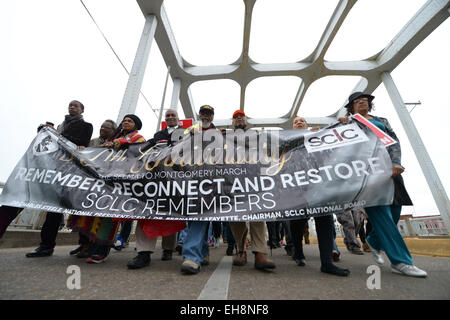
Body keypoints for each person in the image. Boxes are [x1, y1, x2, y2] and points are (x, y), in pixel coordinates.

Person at [339, 92, 427, 277]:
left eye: (365, 100)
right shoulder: (348, 123)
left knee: (394, 214)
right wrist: (341, 124)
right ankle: (401, 262)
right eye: (357, 101)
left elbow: (394, 143)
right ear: (351, 106)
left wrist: (396, 162)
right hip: (367, 174)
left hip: (391, 172)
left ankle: (374, 241)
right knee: (383, 217)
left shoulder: (382, 121)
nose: (362, 102)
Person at [26, 100, 93, 258]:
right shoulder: (60, 127)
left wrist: (56, 134)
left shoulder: (86, 126)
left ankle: (85, 244)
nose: (72, 107)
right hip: (55, 171)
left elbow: (81, 143)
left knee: (81, 208)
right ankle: (46, 245)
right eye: (70, 105)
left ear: (82, 110)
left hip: (72, 172)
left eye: (76, 105)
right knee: (53, 209)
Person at [289, 116, 350, 276]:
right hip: (296, 187)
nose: (299, 122)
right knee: (297, 222)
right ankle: (298, 252)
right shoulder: (287, 140)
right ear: (292, 128)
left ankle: (327, 263)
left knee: (325, 219)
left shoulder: (318, 138)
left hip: (319, 184)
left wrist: (341, 125)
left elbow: (334, 150)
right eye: (295, 122)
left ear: (307, 125)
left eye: (302, 120)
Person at [127, 110, 185, 269]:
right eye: (168, 116)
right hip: (155, 177)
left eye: (173, 115)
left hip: (175, 178)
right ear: (165, 119)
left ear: (178, 119)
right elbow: (145, 148)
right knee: (145, 211)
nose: (170, 117)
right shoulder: (159, 134)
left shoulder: (186, 134)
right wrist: (127, 147)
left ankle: (168, 249)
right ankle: (143, 253)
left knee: (171, 213)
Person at [228, 110, 276, 271]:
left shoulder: (257, 135)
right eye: (236, 117)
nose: (239, 118)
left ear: (246, 119)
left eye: (241, 115)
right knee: (235, 217)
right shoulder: (223, 137)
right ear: (232, 121)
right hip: (233, 180)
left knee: (257, 213)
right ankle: (240, 250)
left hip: (254, 178)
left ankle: (260, 253)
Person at [66, 119, 117, 259]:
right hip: (89, 184)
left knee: (97, 219)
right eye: (101, 126)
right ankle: (83, 244)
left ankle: (94, 247)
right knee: (84, 216)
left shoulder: (115, 144)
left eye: (106, 127)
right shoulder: (93, 141)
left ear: (113, 131)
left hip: (105, 186)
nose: (102, 129)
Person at [180, 105, 221, 274]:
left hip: (210, 177)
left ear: (212, 116)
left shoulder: (219, 133)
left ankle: (192, 256)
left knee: (199, 214)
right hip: (190, 175)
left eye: (208, 113)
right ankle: (202, 252)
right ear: (199, 115)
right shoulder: (189, 130)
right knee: (196, 215)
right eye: (203, 113)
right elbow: (178, 147)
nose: (205, 116)